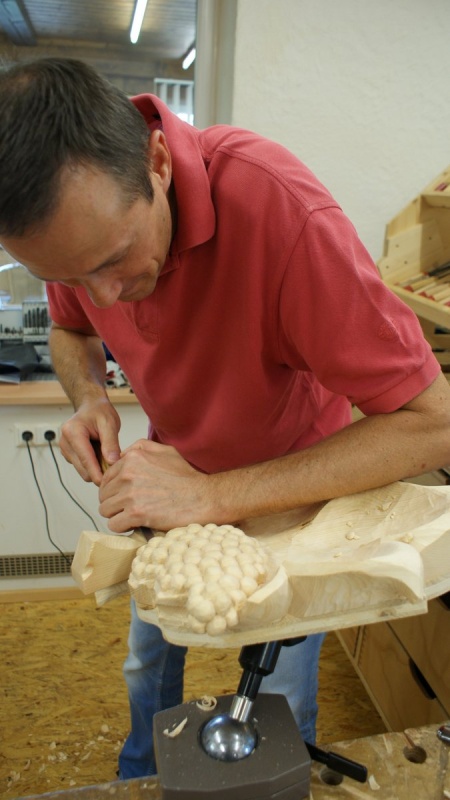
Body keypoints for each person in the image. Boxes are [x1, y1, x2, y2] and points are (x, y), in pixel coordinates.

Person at [1, 57, 450, 779]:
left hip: (292, 499)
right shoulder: (80, 233)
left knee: (275, 701)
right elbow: (70, 329)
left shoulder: (282, 213)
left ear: (157, 163)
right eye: (70, 277)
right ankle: (143, 775)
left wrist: (215, 496)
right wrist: (88, 396)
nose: (105, 296)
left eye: (116, 259)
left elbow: (433, 421)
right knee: (148, 664)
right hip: (173, 483)